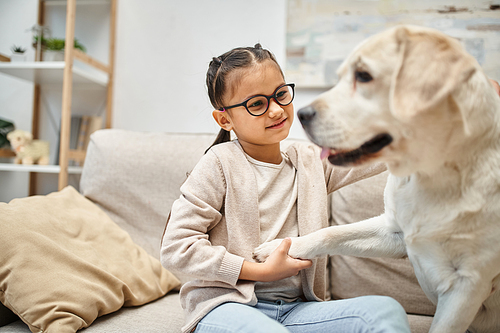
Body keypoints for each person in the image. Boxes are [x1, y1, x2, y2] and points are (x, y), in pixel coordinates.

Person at [160, 43, 411, 333]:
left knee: (385, 311)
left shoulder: (308, 161)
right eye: (257, 104)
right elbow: (176, 247)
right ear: (224, 119)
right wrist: (260, 272)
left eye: (280, 94)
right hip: (226, 307)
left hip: (299, 310)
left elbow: (376, 153)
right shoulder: (217, 165)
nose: (277, 110)